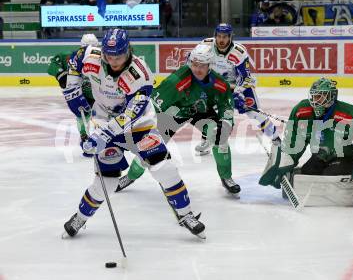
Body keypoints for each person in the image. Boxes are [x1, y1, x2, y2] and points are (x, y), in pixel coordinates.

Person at [62, 28, 205, 239]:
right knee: (107, 183)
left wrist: (102, 136)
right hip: (104, 122)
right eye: (109, 56)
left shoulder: (140, 74)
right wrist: (72, 91)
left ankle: (186, 215)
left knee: (164, 168)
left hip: (140, 126)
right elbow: (75, 60)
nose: (113, 61)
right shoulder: (90, 55)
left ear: (128, 50)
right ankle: (81, 217)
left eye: (118, 56)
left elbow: (131, 114)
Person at [116, 43, 239, 196]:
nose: (198, 69)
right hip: (174, 113)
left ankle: (226, 177)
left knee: (220, 136)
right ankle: (131, 175)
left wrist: (226, 123)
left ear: (210, 66)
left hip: (201, 112)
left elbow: (225, 104)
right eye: (195, 64)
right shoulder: (177, 80)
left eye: (202, 65)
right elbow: (154, 104)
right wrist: (146, 124)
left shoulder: (219, 83)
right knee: (150, 144)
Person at [259, 78, 353, 189]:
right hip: (320, 157)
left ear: (331, 96)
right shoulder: (302, 111)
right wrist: (286, 161)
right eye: (314, 96)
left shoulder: (346, 113)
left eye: (320, 96)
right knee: (304, 175)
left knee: (329, 177)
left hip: (343, 158)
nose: (316, 100)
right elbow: (294, 142)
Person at [196, 23, 280, 155]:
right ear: (215, 36)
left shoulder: (238, 52)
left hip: (238, 85)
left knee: (255, 113)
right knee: (208, 111)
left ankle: (276, 139)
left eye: (225, 37)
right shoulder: (205, 46)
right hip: (215, 86)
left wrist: (236, 94)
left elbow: (245, 77)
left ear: (230, 37)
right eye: (219, 36)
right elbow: (196, 67)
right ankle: (206, 140)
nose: (221, 40)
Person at [48, 34, 99, 157]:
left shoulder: (104, 58)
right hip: (82, 93)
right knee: (83, 115)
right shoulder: (70, 56)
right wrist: (61, 75)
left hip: (98, 94)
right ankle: (85, 138)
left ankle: (99, 140)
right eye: (86, 47)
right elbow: (53, 65)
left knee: (99, 118)